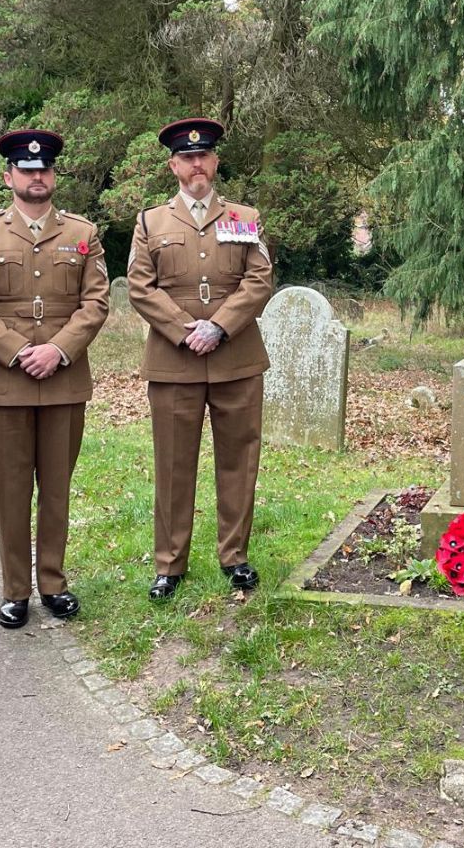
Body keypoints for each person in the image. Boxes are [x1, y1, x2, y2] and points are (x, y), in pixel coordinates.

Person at [0, 129, 109, 625]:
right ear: (9, 177)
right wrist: (21, 351)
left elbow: (95, 303)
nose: (36, 176)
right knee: (10, 488)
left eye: (44, 169)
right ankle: (14, 589)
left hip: (64, 380)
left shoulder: (82, 233)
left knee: (57, 488)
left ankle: (53, 582)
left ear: (53, 175)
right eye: (26, 170)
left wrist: (59, 351)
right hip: (7, 382)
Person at [127, 118, 273, 600]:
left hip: (235, 358)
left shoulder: (243, 217)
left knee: (238, 460)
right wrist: (184, 329)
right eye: (187, 158)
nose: (196, 165)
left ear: (215, 162)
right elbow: (140, 287)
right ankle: (170, 563)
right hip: (174, 361)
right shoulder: (151, 222)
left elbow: (259, 279)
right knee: (173, 464)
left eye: (203, 156)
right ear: (173, 166)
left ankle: (236, 557)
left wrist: (220, 325)